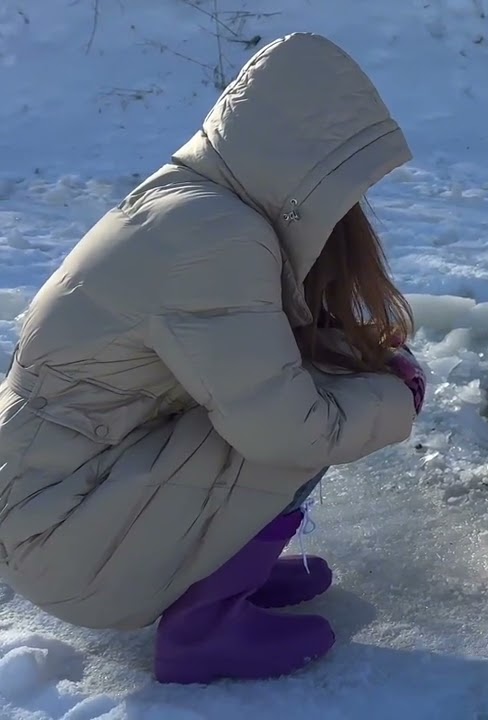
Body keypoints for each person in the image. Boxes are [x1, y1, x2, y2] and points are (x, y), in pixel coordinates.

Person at [0, 33, 427, 684]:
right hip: (61, 539)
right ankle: (205, 623)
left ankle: (222, 562)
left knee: (308, 381)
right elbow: (284, 427)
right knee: (303, 412)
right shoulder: (214, 236)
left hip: (48, 505)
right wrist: (397, 395)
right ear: (308, 164)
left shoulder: (194, 207)